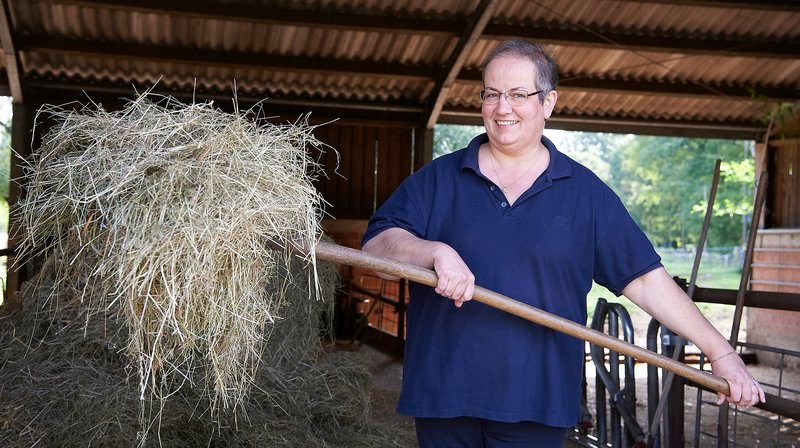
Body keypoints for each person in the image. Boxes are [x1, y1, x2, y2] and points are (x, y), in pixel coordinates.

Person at [361, 39, 765, 448]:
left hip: (538, 401)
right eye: (492, 94)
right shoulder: (438, 180)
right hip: (445, 396)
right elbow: (375, 249)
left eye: (519, 94)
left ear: (548, 102)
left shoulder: (585, 194)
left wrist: (721, 353)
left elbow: (645, 280)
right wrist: (433, 252)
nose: (503, 108)